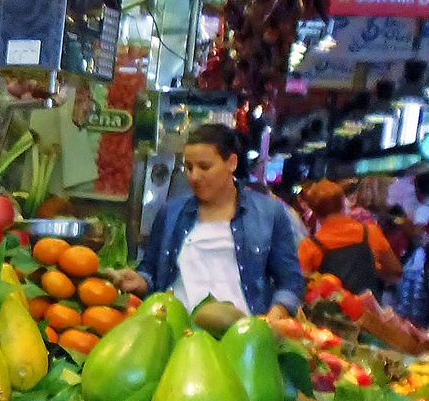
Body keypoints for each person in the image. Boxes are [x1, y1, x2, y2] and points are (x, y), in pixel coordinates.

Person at [113, 124, 304, 317]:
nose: (194, 176)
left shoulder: (269, 213)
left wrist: (275, 314)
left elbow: (290, 282)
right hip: (176, 327)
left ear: (232, 163)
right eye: (188, 167)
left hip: (242, 333)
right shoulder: (171, 212)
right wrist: (140, 281)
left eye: (204, 167)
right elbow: (151, 272)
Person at [299, 179, 402, 298]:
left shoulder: (310, 246)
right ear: (343, 204)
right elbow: (396, 270)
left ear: (314, 212)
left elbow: (301, 286)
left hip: (330, 315)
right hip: (369, 313)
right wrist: (374, 270)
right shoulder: (370, 232)